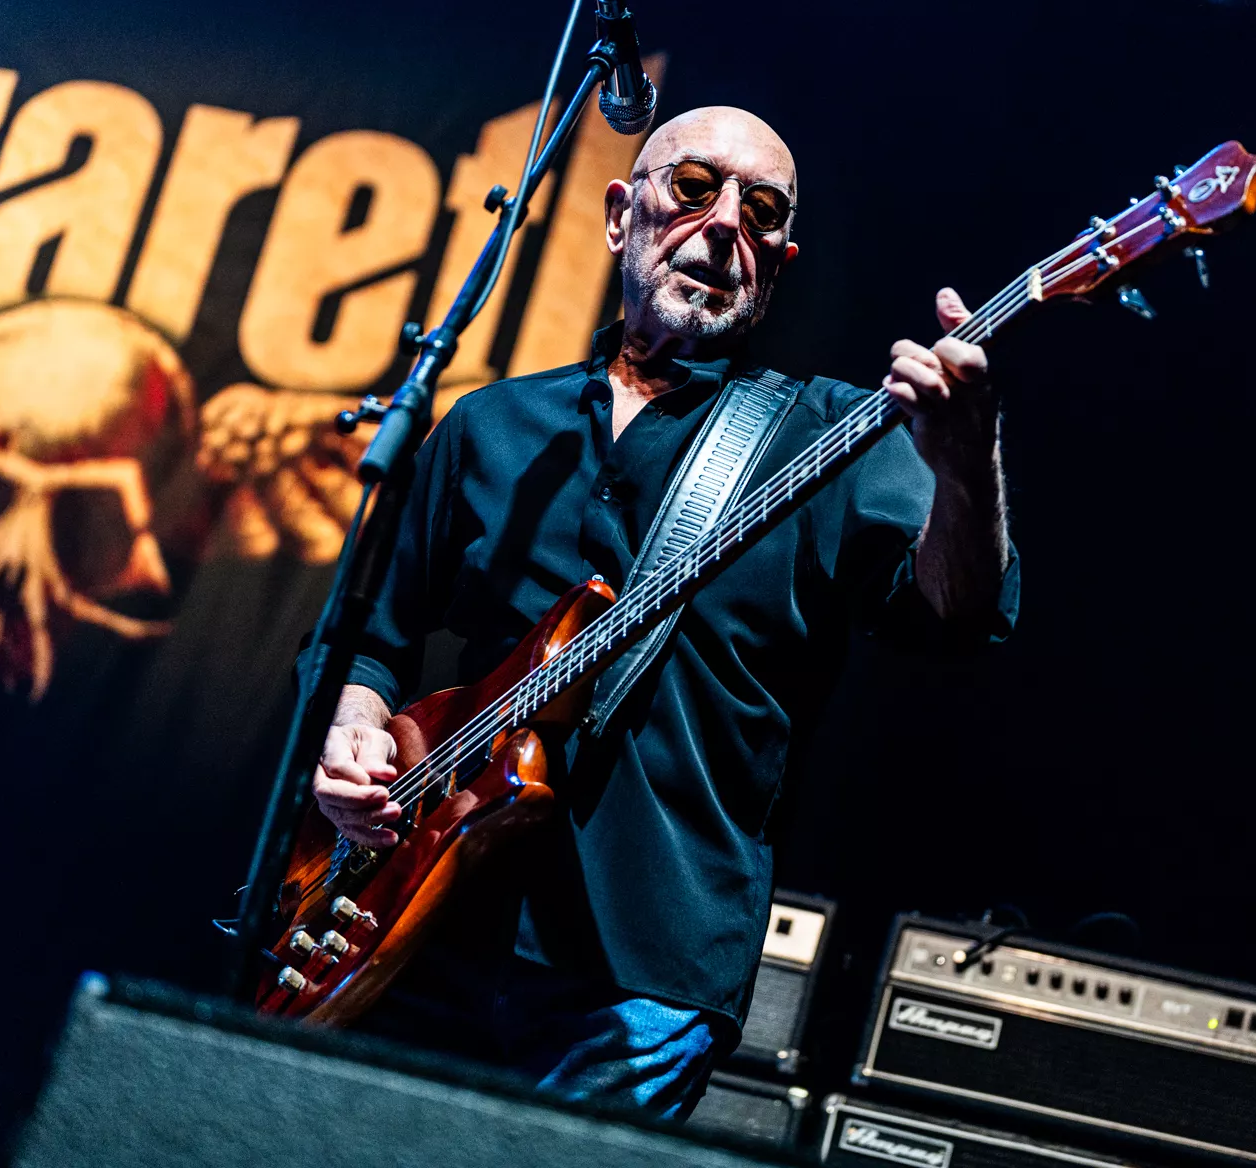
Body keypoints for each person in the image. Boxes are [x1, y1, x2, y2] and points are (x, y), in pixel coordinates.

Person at [301, 106, 1017, 1119]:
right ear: (618, 215)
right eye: (694, 187)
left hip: (641, 976)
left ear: (778, 264)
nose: (724, 224)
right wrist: (353, 726)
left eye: (761, 212)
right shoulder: (492, 426)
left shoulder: (837, 435)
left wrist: (968, 459)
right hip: (416, 922)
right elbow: (362, 638)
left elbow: (960, 615)